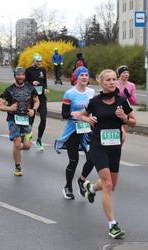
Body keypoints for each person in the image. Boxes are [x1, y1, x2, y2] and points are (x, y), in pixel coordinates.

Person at [72, 69, 136, 239]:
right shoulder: (94, 101)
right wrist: (88, 119)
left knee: (111, 186)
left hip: (115, 147)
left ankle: (91, 188)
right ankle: (112, 225)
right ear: (101, 83)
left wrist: (124, 119)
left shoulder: (122, 101)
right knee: (107, 184)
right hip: (98, 145)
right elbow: (81, 116)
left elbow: (134, 122)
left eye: (114, 79)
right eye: (108, 80)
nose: (112, 82)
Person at [54, 66, 95, 200]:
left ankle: (81, 180)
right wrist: (73, 113)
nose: (84, 77)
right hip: (73, 130)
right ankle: (68, 187)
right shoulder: (69, 94)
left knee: (92, 158)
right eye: (81, 75)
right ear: (76, 77)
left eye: (86, 75)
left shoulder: (91, 92)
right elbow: (64, 114)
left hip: (87, 130)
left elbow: (94, 109)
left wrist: (93, 118)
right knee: (74, 160)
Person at [0, 67, 39, 176]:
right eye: (18, 75)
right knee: (17, 143)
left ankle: (16, 150)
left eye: (22, 75)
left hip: (26, 120)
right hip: (13, 120)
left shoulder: (30, 89)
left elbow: (36, 101)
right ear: (15, 76)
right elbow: (0, 105)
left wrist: (33, 110)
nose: (20, 77)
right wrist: (10, 108)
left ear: (24, 76)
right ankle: (17, 166)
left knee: (27, 145)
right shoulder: (9, 90)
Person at [25, 54, 49, 151]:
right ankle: (27, 139)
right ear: (34, 61)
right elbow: (24, 83)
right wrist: (32, 83)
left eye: (40, 61)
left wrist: (46, 89)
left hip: (42, 97)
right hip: (32, 98)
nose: (39, 63)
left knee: (43, 118)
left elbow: (45, 81)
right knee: (31, 120)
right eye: (37, 61)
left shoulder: (42, 70)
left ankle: (39, 140)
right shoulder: (28, 70)